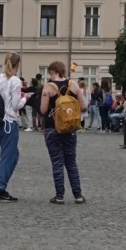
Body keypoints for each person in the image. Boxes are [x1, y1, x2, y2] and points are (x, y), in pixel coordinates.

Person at [39, 60, 86, 205]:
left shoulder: (48, 87)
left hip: (52, 128)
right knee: (71, 162)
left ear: (52, 71)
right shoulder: (74, 85)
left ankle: (59, 196)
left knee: (57, 162)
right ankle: (78, 195)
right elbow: (83, 106)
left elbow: (43, 110)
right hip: (70, 128)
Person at [0, 52, 24, 201]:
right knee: (8, 155)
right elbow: (16, 105)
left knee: (12, 154)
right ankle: (0, 188)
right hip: (9, 121)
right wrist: (25, 99)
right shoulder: (15, 81)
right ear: (17, 65)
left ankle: (0, 184)